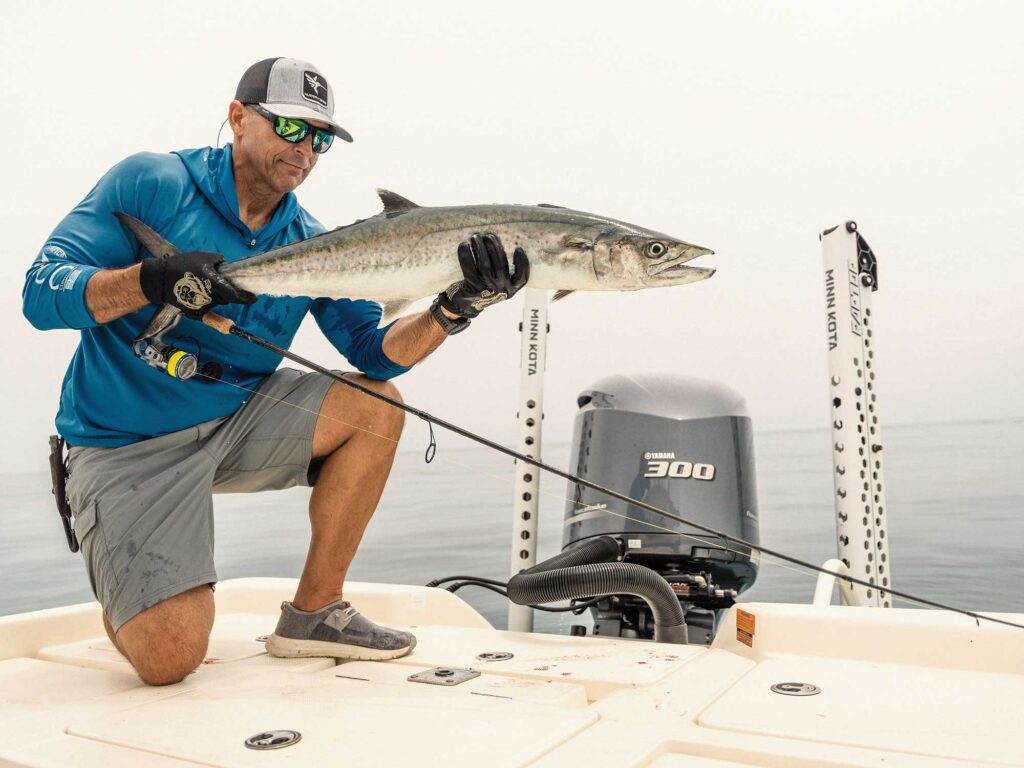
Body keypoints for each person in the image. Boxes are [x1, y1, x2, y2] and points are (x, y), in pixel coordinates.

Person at [22, 57, 528, 686]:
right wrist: (152, 278)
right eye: (290, 127)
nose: (305, 149)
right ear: (238, 118)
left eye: (321, 138)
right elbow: (41, 293)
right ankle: (132, 592)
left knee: (377, 405)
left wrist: (453, 309)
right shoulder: (152, 182)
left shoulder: (310, 239)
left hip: (236, 421)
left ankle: (315, 613)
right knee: (170, 659)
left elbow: (372, 352)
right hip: (126, 445)